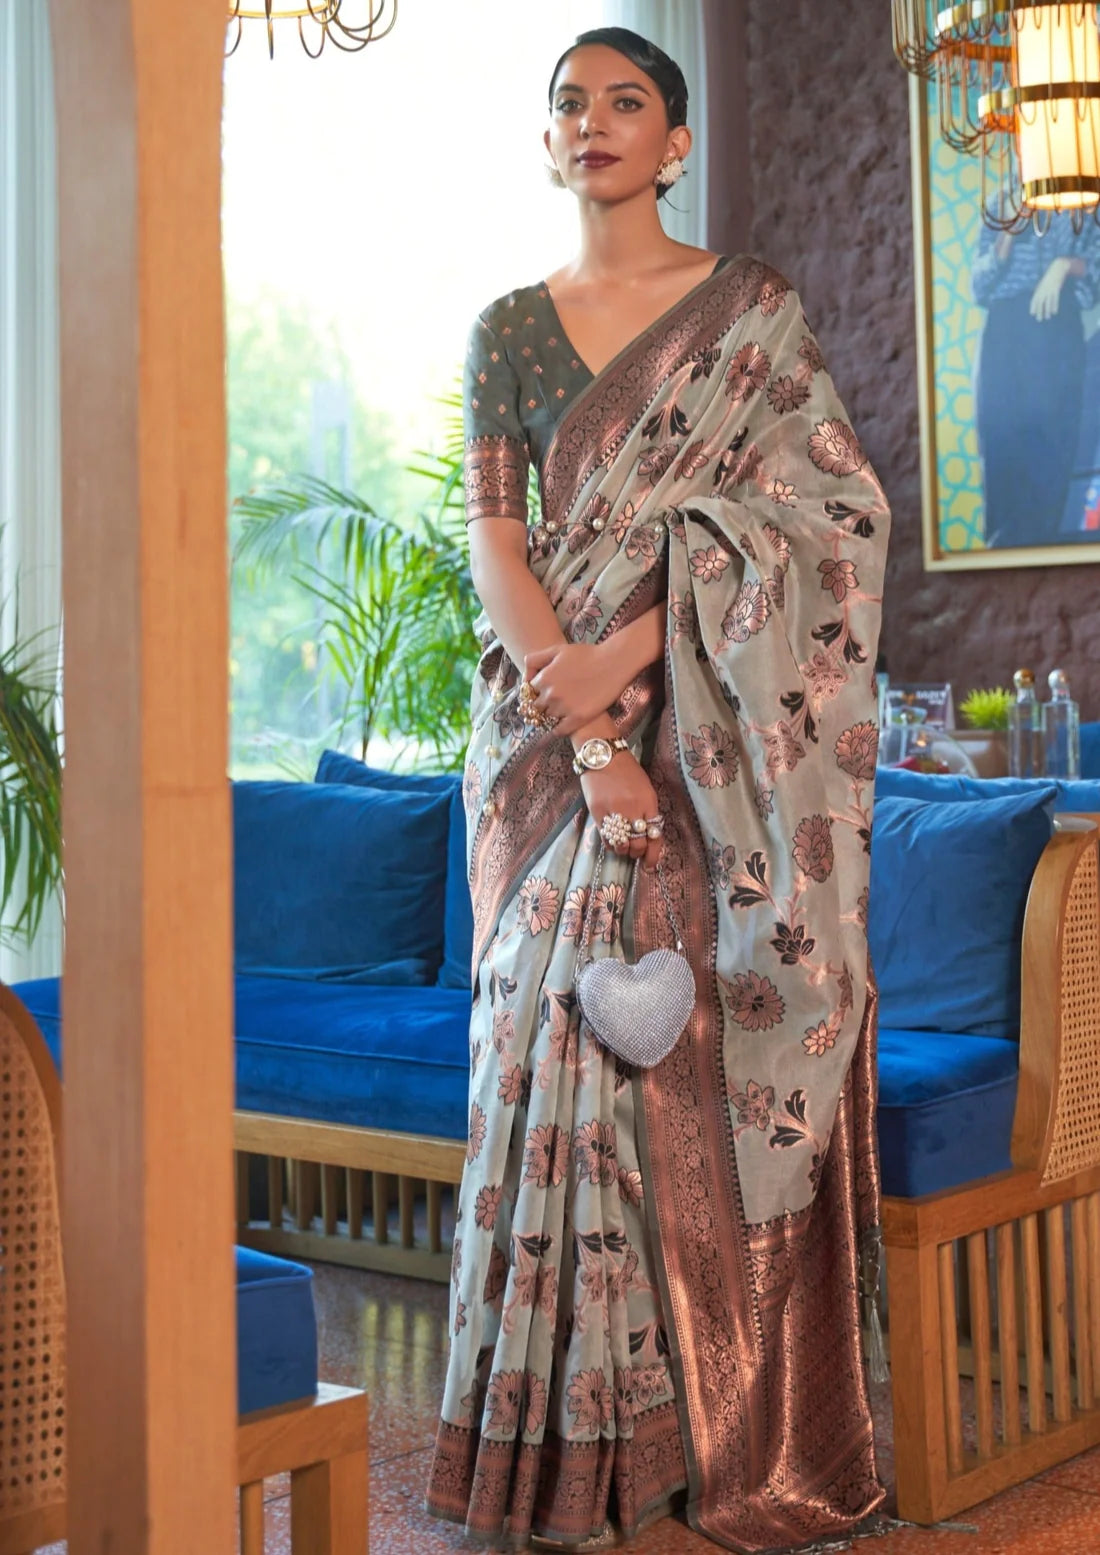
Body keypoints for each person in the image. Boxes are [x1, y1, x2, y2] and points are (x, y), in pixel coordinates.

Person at [425, 27, 892, 1553]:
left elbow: (823, 519)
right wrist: (579, 722)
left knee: (661, 1079)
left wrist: (639, 650)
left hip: (702, 749)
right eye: (570, 102)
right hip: (547, 746)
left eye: (629, 100)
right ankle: (551, 1458)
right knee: (532, 1063)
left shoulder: (751, 315)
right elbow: (500, 538)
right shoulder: (506, 327)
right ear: (546, 143)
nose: (596, 121)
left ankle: (694, 1445)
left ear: (675, 141)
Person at [971, 205, 1100, 549]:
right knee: (1002, 446)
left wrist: (1064, 267)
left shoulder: (1086, 204)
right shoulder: (1000, 205)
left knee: (1055, 450)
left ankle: (1045, 555)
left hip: (1059, 328)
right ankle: (1002, 554)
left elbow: (1096, 275)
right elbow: (978, 285)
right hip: (1006, 333)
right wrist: (1007, 237)